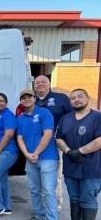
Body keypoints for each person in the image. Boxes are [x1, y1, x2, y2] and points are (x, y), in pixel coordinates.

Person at [56, 89, 101, 220]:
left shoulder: (97, 117)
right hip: (71, 166)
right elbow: (59, 138)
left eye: (80, 96)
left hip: (91, 167)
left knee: (88, 198)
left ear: (87, 98)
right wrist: (68, 151)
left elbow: (99, 140)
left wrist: (80, 151)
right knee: (74, 197)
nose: (76, 100)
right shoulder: (65, 119)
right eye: (73, 98)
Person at [17, 88, 59, 220]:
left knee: (48, 190)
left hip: (47, 157)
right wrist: (27, 154)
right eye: (23, 97)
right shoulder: (20, 118)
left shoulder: (44, 113)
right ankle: (39, 216)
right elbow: (20, 138)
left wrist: (36, 152)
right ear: (20, 101)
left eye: (29, 97)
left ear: (35, 98)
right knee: (35, 189)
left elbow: (48, 134)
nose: (26, 99)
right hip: (30, 158)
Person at [34, 75, 73, 212]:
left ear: (49, 84)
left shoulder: (61, 98)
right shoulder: (30, 100)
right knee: (36, 176)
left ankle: (55, 206)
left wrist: (64, 136)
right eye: (37, 82)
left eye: (43, 82)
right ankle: (39, 207)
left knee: (54, 176)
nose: (40, 84)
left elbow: (72, 118)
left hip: (55, 144)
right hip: (35, 145)